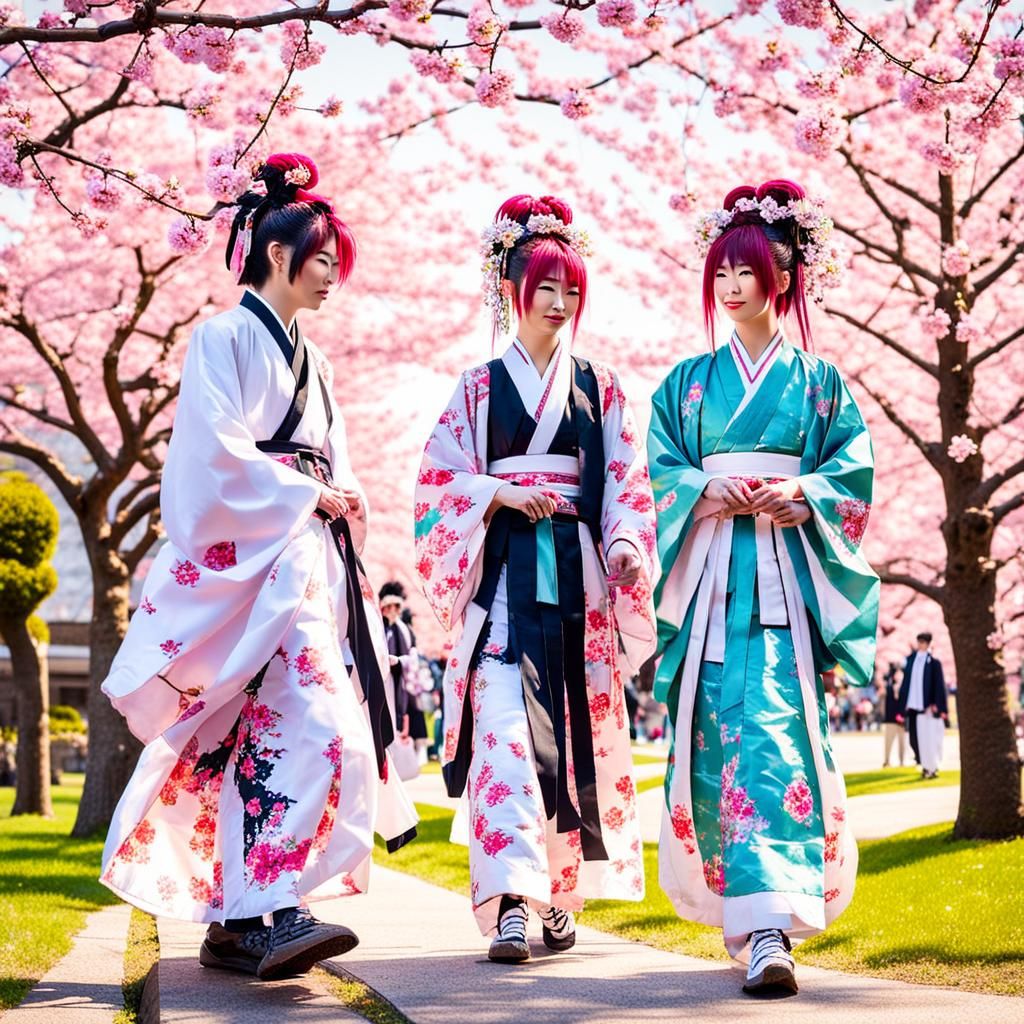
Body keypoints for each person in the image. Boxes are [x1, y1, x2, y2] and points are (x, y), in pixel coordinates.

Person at [99, 152, 417, 981]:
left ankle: (244, 920)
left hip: (303, 559)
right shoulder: (223, 336)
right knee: (306, 726)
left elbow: (333, 461)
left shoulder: (319, 361)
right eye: (323, 265)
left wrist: (337, 493)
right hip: (254, 560)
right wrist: (302, 492)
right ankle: (268, 911)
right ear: (277, 256)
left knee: (286, 732)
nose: (332, 282)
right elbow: (212, 458)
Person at [414, 194, 658, 963]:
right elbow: (436, 483)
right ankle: (512, 904)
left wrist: (623, 543)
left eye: (572, 291)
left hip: (578, 581)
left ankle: (559, 895)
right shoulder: (478, 387)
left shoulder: (603, 386)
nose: (559, 304)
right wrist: (497, 492)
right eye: (545, 288)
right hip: (502, 589)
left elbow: (626, 478)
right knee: (507, 743)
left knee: (574, 742)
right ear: (511, 290)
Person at [648, 180, 878, 995]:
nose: (731, 287)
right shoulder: (687, 383)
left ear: (783, 277)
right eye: (720, 274)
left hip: (781, 574)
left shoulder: (820, 382)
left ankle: (772, 926)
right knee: (715, 737)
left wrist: (805, 494)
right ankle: (747, 919)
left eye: (745, 272)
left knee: (778, 734)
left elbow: (851, 470)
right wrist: (703, 492)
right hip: (711, 580)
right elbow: (657, 472)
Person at [895, 633, 948, 778]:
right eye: (919, 642)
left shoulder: (934, 663)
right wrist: (903, 705)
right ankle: (924, 765)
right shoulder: (911, 661)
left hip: (928, 708)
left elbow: (939, 685)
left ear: (929, 643)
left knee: (930, 738)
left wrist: (938, 705)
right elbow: (906, 684)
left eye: (924, 642)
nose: (921, 645)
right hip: (913, 707)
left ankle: (932, 767)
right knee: (915, 739)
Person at [881, 662, 907, 768]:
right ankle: (886, 761)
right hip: (890, 718)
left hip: (902, 719)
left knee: (902, 742)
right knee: (888, 741)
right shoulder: (889, 685)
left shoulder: (905, 686)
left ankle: (902, 761)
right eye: (897, 673)